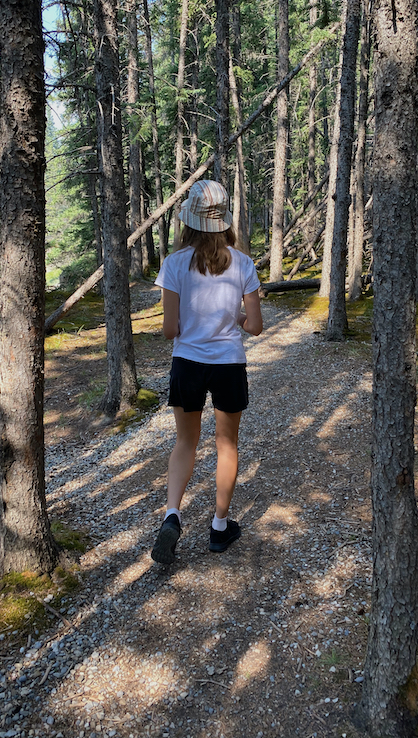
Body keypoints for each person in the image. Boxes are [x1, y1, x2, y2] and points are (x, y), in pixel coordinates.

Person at [151, 179, 263, 565]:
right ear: (224, 221)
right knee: (226, 444)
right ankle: (219, 527)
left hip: (188, 363)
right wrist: (238, 316)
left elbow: (169, 331)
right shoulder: (243, 264)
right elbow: (255, 327)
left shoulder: (173, 263)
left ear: (190, 221)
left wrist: (189, 322)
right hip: (229, 363)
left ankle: (172, 515)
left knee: (185, 443)